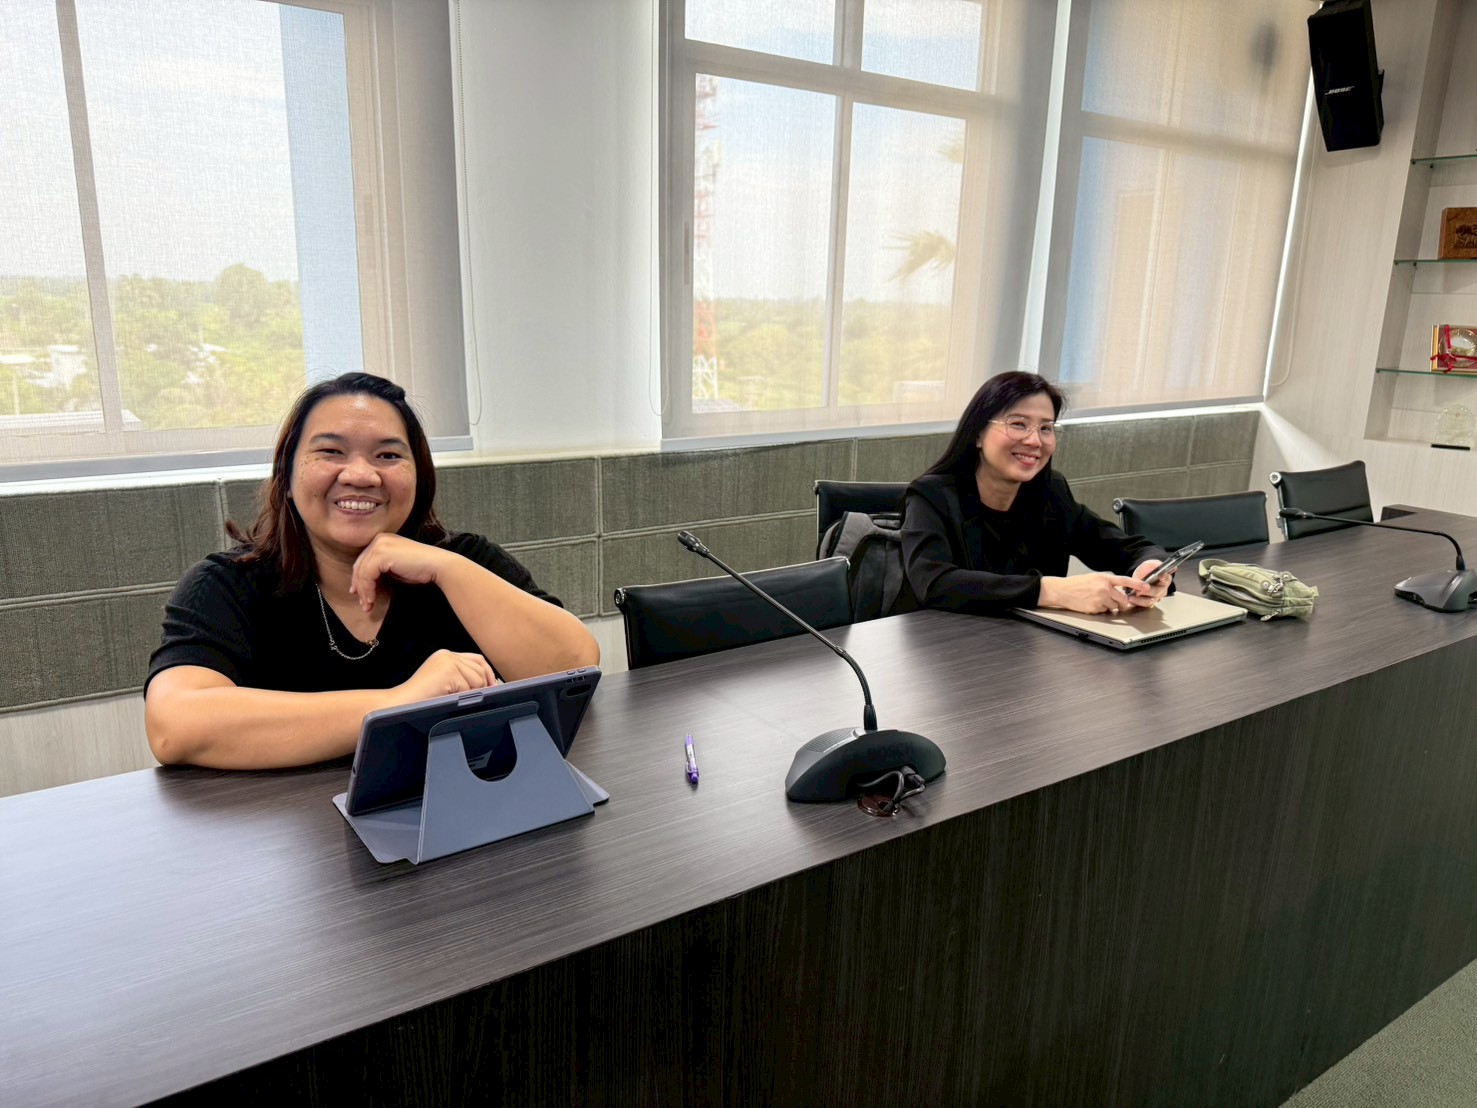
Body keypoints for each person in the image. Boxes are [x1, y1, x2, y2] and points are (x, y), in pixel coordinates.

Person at [145, 372, 599, 770]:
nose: (361, 475)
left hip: (458, 814)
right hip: (291, 833)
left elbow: (575, 669)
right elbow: (175, 726)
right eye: (331, 451)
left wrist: (445, 568)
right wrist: (398, 704)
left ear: (419, 477)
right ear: (287, 478)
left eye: (388, 455)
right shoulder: (228, 584)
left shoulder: (465, 560)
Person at [901, 371, 1174, 617]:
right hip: (945, 644)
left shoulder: (1050, 491)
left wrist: (1149, 569)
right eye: (1018, 424)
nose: (1034, 441)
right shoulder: (932, 495)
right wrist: (1052, 591)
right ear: (978, 434)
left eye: (1045, 428)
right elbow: (935, 583)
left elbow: (1123, 546)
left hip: (1031, 643)